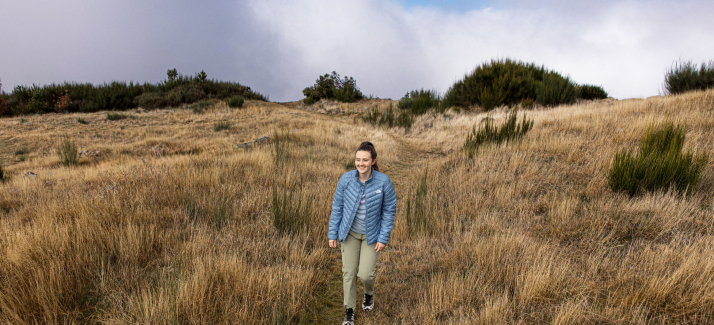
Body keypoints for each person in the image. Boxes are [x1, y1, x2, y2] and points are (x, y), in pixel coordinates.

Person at [328, 141, 397, 325]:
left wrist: (383, 237)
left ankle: (369, 294)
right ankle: (349, 310)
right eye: (358, 159)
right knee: (348, 273)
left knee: (365, 274)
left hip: (371, 235)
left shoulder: (384, 182)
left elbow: (389, 211)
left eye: (365, 160)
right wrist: (332, 233)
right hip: (349, 233)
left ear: (373, 161)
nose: (361, 163)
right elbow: (337, 207)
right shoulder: (346, 179)